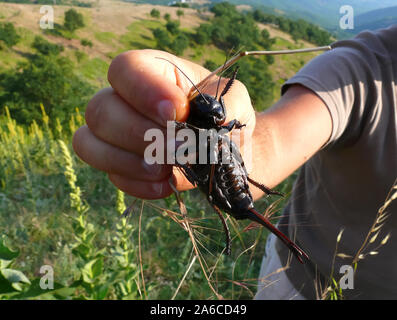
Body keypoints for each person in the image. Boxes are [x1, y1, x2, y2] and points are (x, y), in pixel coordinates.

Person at [73, 25, 397, 299]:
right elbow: (265, 145)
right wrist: (240, 125)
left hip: (231, 185)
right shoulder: (363, 68)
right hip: (298, 283)